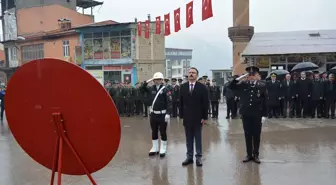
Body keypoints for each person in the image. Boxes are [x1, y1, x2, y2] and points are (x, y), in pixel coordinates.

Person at [229, 66, 267, 164]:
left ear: (256, 75)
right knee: (247, 135)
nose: (251, 76)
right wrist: (240, 78)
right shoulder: (243, 84)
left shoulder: (262, 85)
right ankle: (249, 154)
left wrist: (264, 115)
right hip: (246, 113)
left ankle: (256, 155)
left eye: (253, 74)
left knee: (256, 135)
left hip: (257, 114)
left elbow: (265, 101)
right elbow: (231, 86)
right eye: (249, 75)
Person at [179, 67, 209, 167]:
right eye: (190, 72)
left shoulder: (202, 87)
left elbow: (205, 103)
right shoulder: (183, 87)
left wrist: (204, 117)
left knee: (198, 138)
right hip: (187, 117)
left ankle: (199, 157)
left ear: (197, 75)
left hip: (198, 117)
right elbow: (181, 102)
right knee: (188, 138)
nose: (191, 74)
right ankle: (189, 157)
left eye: (193, 73)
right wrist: (181, 115)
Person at [141, 72, 172, 157]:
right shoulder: (151, 88)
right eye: (155, 79)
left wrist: (168, 113)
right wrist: (149, 80)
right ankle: (155, 148)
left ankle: (163, 148)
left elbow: (169, 102)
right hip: (153, 114)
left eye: (158, 79)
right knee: (154, 131)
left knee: (162, 131)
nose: (157, 81)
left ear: (161, 80)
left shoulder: (166, 89)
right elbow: (142, 88)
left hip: (162, 114)